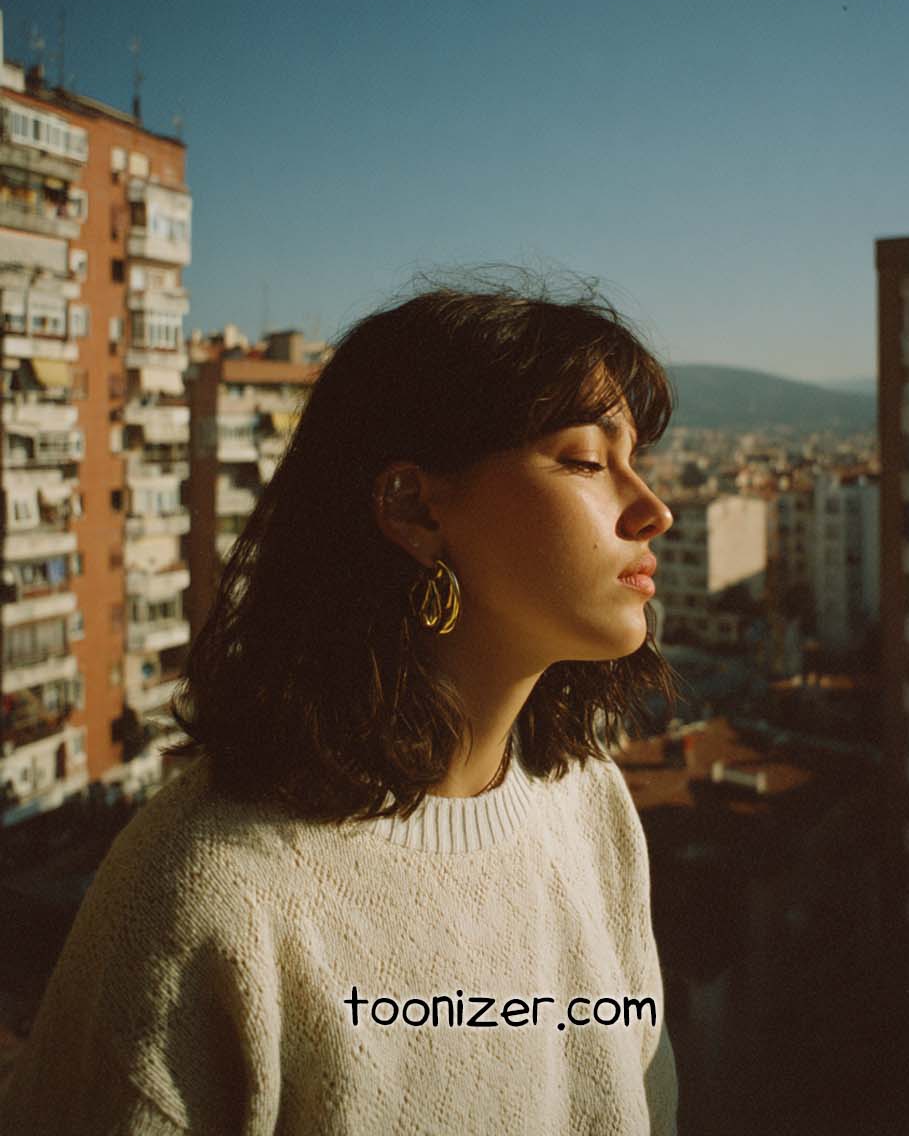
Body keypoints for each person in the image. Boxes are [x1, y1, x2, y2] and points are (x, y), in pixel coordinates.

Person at [0, 271, 681, 1134]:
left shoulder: (591, 808)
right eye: (586, 459)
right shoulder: (212, 892)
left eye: (637, 462)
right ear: (413, 508)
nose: (653, 509)